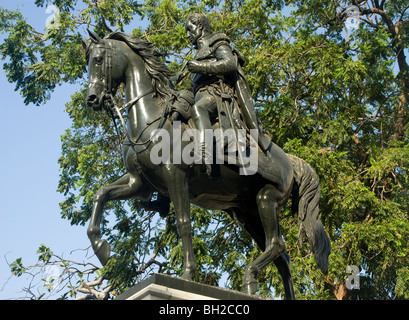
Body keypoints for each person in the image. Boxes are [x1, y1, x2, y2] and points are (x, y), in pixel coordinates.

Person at [185, 13, 271, 175]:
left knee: (198, 109)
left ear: (201, 27)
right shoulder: (198, 53)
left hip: (217, 94)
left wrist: (200, 68)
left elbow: (229, 64)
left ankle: (205, 154)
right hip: (202, 95)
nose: (187, 35)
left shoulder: (217, 42)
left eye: (190, 29)